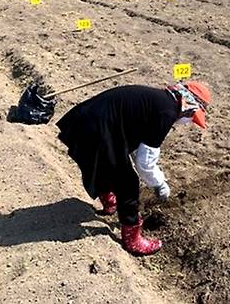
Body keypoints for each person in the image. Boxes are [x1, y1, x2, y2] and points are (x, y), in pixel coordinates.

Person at [56, 81, 211, 256]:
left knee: (111, 163)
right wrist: (159, 184)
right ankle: (132, 239)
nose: (189, 122)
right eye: (192, 117)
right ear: (189, 106)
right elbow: (145, 162)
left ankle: (109, 201)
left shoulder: (160, 100)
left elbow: (138, 146)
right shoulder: (166, 113)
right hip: (97, 128)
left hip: (90, 121)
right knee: (127, 182)